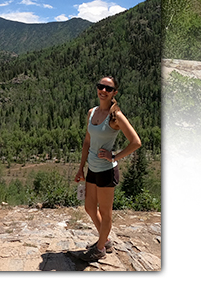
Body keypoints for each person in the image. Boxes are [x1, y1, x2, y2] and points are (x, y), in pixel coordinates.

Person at [74, 75, 142, 262]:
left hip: (106, 171)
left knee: (105, 213)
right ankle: (105, 240)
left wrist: (114, 156)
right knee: (89, 207)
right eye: (100, 86)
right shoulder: (92, 112)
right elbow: (87, 141)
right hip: (92, 169)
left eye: (108, 88)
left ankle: (100, 247)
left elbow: (136, 142)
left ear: (114, 93)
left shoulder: (116, 116)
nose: (103, 91)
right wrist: (81, 168)